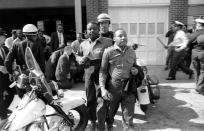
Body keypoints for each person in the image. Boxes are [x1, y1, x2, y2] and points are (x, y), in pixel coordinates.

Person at [99, 29, 143, 131]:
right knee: (110, 112)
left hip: (129, 86)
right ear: (114, 39)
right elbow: (103, 71)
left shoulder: (132, 52)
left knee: (128, 117)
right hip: (114, 87)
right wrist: (102, 89)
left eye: (125, 36)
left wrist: (136, 70)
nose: (123, 38)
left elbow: (135, 66)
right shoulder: (108, 52)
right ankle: (109, 125)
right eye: (120, 36)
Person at [76, 21, 112, 131]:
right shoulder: (83, 44)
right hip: (88, 75)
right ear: (86, 31)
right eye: (89, 29)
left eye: (94, 29)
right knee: (90, 99)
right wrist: (80, 59)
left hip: (102, 75)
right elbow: (77, 55)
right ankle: (93, 121)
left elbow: (116, 51)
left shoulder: (107, 42)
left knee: (102, 99)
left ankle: (106, 122)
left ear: (98, 30)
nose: (91, 31)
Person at [5, 24, 45, 98]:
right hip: (34, 75)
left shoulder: (16, 45)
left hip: (20, 75)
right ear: (35, 34)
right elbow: (42, 62)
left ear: (24, 34)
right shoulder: (38, 45)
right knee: (35, 97)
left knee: (23, 97)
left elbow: (7, 61)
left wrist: (10, 72)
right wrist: (43, 74)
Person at [177, 18, 204, 94]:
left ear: (198, 25)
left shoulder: (194, 34)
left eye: (196, 24)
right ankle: (200, 88)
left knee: (196, 70)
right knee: (203, 71)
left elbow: (187, 43)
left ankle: (198, 87)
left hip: (195, 53)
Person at [0, 39, 10, 121]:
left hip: (5, 78)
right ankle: (3, 116)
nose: (4, 39)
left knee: (11, 92)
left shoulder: (5, 48)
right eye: (2, 36)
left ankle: (4, 108)